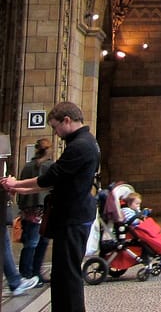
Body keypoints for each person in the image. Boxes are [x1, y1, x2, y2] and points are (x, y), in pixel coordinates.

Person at [2, 101, 100, 312]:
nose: (56, 133)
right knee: (63, 274)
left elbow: (50, 177)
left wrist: (17, 184)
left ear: (67, 120)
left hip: (73, 217)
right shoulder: (83, 141)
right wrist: (20, 189)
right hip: (72, 215)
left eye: (56, 127)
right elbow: (57, 181)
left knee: (68, 274)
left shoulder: (81, 145)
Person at [17, 138, 53, 282]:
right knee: (41, 242)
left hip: (29, 210)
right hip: (45, 210)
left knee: (30, 243)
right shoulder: (50, 166)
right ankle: (35, 273)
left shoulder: (27, 166)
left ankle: (26, 273)